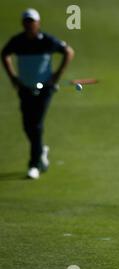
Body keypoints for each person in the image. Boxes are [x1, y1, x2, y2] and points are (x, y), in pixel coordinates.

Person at [1, 8, 74, 179]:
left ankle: (35, 164)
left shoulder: (47, 41)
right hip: (25, 88)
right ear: (23, 23)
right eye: (27, 21)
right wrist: (13, 77)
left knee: (36, 125)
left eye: (32, 22)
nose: (29, 25)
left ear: (38, 23)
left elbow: (69, 52)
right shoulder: (17, 41)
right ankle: (41, 150)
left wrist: (57, 75)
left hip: (45, 88)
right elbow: (4, 54)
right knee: (27, 125)